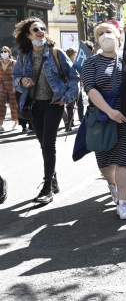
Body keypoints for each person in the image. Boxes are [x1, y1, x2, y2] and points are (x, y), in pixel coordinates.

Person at [12, 17, 79, 203]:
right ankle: (54, 179)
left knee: (49, 144)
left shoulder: (56, 53)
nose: (41, 31)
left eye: (43, 28)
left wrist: (65, 98)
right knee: (43, 144)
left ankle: (47, 187)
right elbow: (15, 78)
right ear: (28, 34)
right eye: (36, 29)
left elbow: (74, 78)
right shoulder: (24, 55)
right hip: (33, 105)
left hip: (53, 104)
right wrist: (22, 81)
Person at [82, 22, 126, 219]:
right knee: (105, 160)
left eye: (109, 32)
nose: (105, 35)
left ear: (118, 35)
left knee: (125, 159)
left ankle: (123, 202)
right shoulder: (91, 62)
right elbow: (90, 88)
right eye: (101, 33)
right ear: (96, 40)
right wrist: (110, 111)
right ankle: (112, 184)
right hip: (102, 117)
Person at [0, 46, 19, 132]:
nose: (3, 53)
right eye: (2, 51)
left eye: (5, 51)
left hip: (12, 87)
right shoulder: (0, 63)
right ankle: (0, 124)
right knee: (1, 106)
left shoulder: (14, 63)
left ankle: (16, 122)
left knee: (14, 105)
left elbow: (18, 74)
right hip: (2, 87)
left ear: (9, 53)